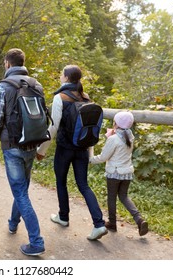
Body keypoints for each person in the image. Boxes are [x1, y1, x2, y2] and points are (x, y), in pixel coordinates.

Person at [36, 65, 108, 241]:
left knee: (61, 182)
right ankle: (99, 224)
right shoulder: (86, 98)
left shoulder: (60, 98)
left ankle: (63, 217)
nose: (60, 76)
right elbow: (90, 130)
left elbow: (53, 126)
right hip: (82, 149)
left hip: (65, 148)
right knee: (83, 185)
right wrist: (91, 154)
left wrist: (41, 150)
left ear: (67, 78)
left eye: (62, 74)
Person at [0, 48, 45, 256]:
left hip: (12, 147)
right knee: (22, 191)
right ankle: (13, 222)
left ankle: (36, 241)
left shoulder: (3, 87)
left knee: (20, 192)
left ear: (7, 64)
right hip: (31, 143)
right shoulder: (36, 84)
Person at [89, 111, 149, 236]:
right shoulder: (130, 137)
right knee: (123, 196)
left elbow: (104, 157)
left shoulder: (114, 139)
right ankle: (139, 219)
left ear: (116, 123)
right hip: (126, 172)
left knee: (112, 197)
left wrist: (91, 158)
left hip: (114, 173)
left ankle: (112, 223)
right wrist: (111, 136)